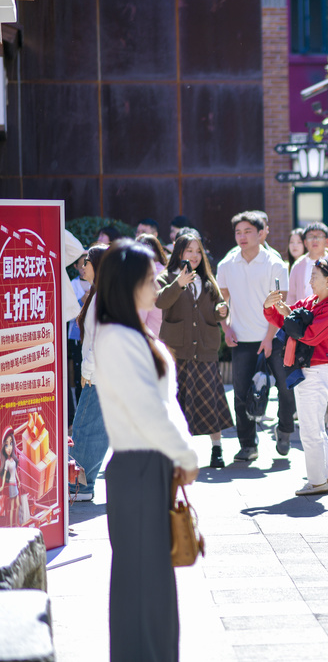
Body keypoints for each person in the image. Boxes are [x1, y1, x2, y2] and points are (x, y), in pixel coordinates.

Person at [92, 239, 199, 662]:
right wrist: (187, 456)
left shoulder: (131, 331)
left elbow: (164, 406)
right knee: (142, 584)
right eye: (151, 279)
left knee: (151, 584)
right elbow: (147, 410)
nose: (159, 285)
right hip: (139, 466)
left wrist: (181, 452)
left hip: (150, 465)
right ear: (129, 282)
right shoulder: (117, 336)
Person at [264, 256, 328, 495]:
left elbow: (307, 335)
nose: (310, 281)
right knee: (315, 428)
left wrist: (288, 314)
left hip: (317, 370)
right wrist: (273, 307)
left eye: (314, 277)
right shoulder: (314, 301)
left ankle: (317, 481)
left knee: (310, 430)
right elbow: (287, 323)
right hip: (311, 369)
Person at [216, 211, 294, 462]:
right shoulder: (227, 265)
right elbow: (221, 303)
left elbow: (281, 304)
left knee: (285, 387)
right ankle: (248, 445)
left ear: (261, 233)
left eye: (248, 231)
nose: (242, 236)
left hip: (275, 337)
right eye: (238, 232)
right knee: (240, 393)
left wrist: (269, 337)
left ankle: (284, 430)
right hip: (242, 339)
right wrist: (226, 328)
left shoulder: (275, 263)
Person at [155, 230, 234, 470]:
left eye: (198, 251)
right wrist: (178, 283)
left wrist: (222, 310)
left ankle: (217, 449)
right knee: (175, 402)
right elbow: (159, 301)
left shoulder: (208, 280)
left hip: (205, 348)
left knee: (210, 399)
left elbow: (219, 306)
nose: (195, 255)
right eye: (189, 250)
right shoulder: (166, 277)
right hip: (176, 349)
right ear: (179, 251)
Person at [69, 244, 110, 502]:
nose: (83, 267)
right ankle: (85, 484)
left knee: (85, 429)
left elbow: (99, 340)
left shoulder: (104, 296)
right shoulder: (102, 293)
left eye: (87, 263)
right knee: (95, 429)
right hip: (106, 374)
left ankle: (81, 486)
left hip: (98, 375)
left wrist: (87, 371)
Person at [290, 223, 328, 305]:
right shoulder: (298, 265)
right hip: (304, 315)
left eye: (319, 236)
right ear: (305, 242)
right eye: (311, 236)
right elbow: (291, 296)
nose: (315, 240)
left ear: (326, 241)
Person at [136, 233, 168, 336]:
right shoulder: (165, 271)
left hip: (147, 335)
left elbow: (140, 315)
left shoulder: (145, 274)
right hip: (163, 333)